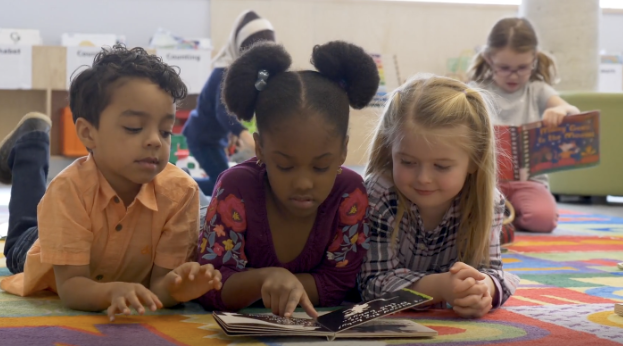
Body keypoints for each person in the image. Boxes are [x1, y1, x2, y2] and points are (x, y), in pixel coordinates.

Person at [0, 45, 221, 321]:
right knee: (23, 229)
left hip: (82, 236)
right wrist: (109, 292)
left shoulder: (181, 193)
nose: (154, 140)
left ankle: (31, 143)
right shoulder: (69, 190)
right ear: (89, 133)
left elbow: (161, 288)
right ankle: (30, 144)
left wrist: (179, 288)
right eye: (134, 128)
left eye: (165, 131)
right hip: (48, 253)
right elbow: (71, 288)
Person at [196, 41, 380, 318]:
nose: (304, 183)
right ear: (260, 148)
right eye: (284, 165)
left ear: (343, 150)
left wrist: (280, 284)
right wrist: (266, 280)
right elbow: (209, 286)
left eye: (320, 167)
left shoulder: (349, 194)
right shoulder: (236, 189)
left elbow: (340, 282)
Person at [359, 74, 520, 319]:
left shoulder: (488, 201)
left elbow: (494, 273)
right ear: (389, 150)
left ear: (474, 162)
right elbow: (372, 284)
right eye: (408, 162)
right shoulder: (378, 195)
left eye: (441, 166)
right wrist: (441, 288)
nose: (423, 178)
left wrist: (482, 290)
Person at [469, 17, 580, 233]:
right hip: (485, 182)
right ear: (489, 59)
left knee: (543, 220)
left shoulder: (537, 90)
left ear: (534, 60)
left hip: (530, 183)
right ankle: (500, 219)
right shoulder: (476, 91)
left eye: (522, 68)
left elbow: (573, 112)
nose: (514, 75)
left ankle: (505, 220)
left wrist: (560, 111)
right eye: (505, 67)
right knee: (470, 216)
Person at [182, 10, 275, 196]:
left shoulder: (238, 72)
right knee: (224, 183)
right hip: (202, 138)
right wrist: (244, 135)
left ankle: (182, 180)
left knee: (222, 179)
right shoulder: (225, 72)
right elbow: (222, 112)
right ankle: (181, 183)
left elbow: (233, 106)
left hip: (213, 138)